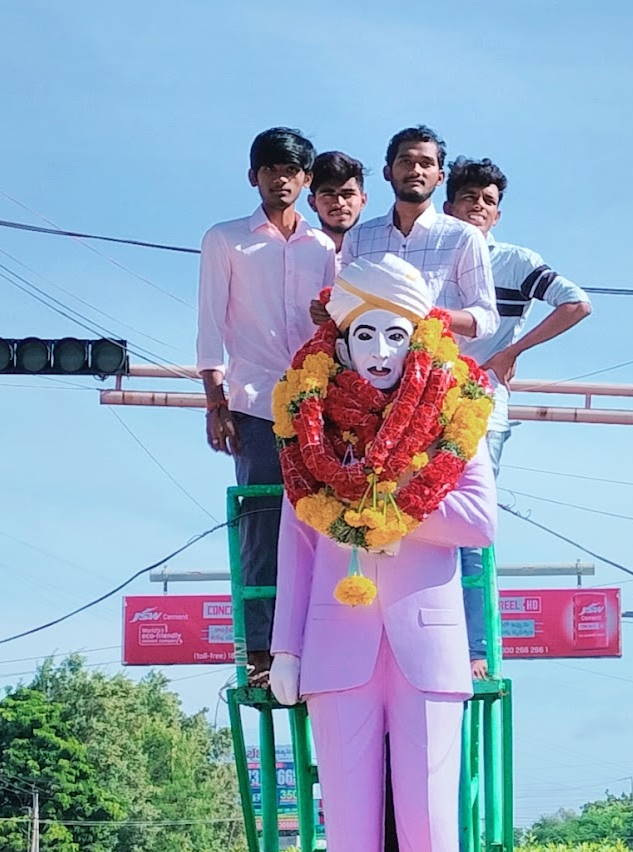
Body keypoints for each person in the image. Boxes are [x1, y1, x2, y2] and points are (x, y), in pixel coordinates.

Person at [269, 253, 497, 852]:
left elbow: (477, 521)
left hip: (426, 634)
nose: (378, 353)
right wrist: (284, 647)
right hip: (335, 633)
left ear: (419, 339)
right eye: (363, 336)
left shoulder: (455, 416)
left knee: (431, 779)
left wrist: (385, 512)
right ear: (338, 343)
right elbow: (296, 550)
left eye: (394, 337)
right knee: (345, 779)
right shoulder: (309, 434)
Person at [197, 126, 337, 681]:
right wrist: (215, 400)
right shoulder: (226, 239)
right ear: (253, 176)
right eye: (270, 170)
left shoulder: (324, 247)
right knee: (261, 518)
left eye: (292, 171)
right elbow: (210, 323)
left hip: (317, 401)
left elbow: (335, 328)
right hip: (254, 398)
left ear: (306, 180)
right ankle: (259, 652)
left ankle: (312, 642)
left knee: (322, 518)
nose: (281, 180)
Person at [444, 156, 592, 666]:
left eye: (489, 201)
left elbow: (576, 303)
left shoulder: (513, 260)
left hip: (482, 404)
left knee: (470, 517)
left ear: (497, 214)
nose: (479, 208)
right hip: (414, 401)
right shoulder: (428, 254)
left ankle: (474, 647)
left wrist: (513, 351)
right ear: (449, 205)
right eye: (470, 198)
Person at [338, 127, 497, 342]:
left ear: (440, 177)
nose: (415, 171)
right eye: (405, 161)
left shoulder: (463, 237)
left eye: (426, 163)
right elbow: (344, 305)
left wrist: (428, 314)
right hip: (368, 369)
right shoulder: (358, 237)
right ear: (388, 172)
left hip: (437, 369)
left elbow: (486, 316)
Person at [308, 151, 368, 254]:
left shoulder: (379, 252)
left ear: (363, 200)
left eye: (347, 194)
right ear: (312, 203)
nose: (340, 203)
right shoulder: (300, 253)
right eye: (329, 195)